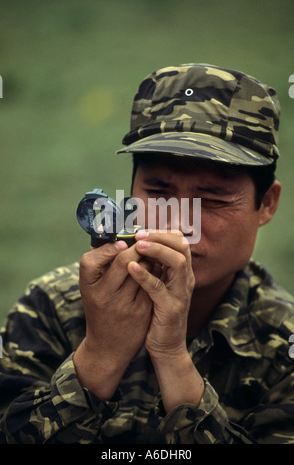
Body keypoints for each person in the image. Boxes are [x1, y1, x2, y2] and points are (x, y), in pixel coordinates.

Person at [1, 63, 294, 445]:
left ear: (267, 204)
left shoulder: (282, 342)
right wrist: (100, 354)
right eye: (157, 190)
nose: (179, 226)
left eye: (214, 198)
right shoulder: (51, 308)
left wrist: (172, 358)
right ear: (131, 191)